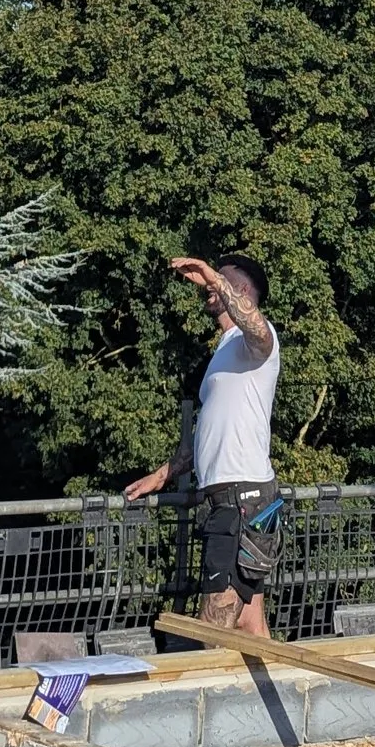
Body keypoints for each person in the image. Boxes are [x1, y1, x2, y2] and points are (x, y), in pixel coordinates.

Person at [124, 253, 285, 639]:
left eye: (223, 280)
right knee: (248, 623)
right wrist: (163, 476)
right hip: (232, 500)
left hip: (240, 500)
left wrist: (213, 275)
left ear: (241, 290)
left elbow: (257, 329)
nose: (209, 288)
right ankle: (288, 696)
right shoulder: (223, 354)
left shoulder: (258, 342)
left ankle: (201, 699)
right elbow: (207, 435)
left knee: (213, 631)